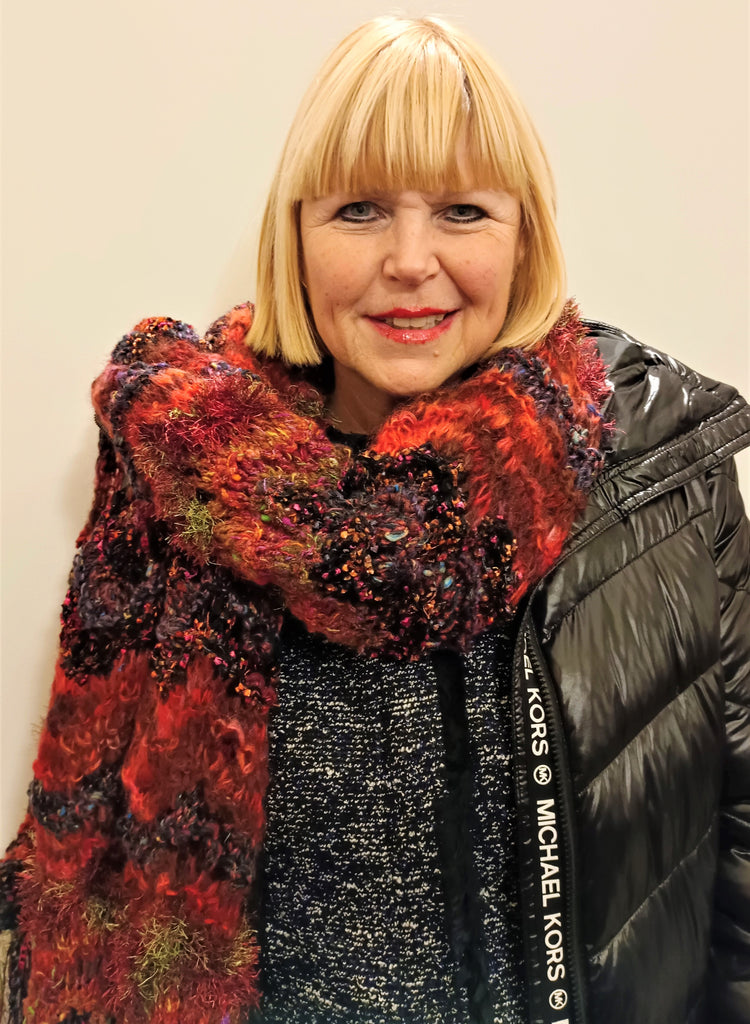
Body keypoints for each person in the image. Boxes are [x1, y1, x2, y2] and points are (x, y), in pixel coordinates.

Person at [1, 14, 749, 1024]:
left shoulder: (656, 478)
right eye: (358, 209)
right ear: (295, 234)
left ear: (523, 232)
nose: (409, 259)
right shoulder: (185, 479)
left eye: (462, 211)